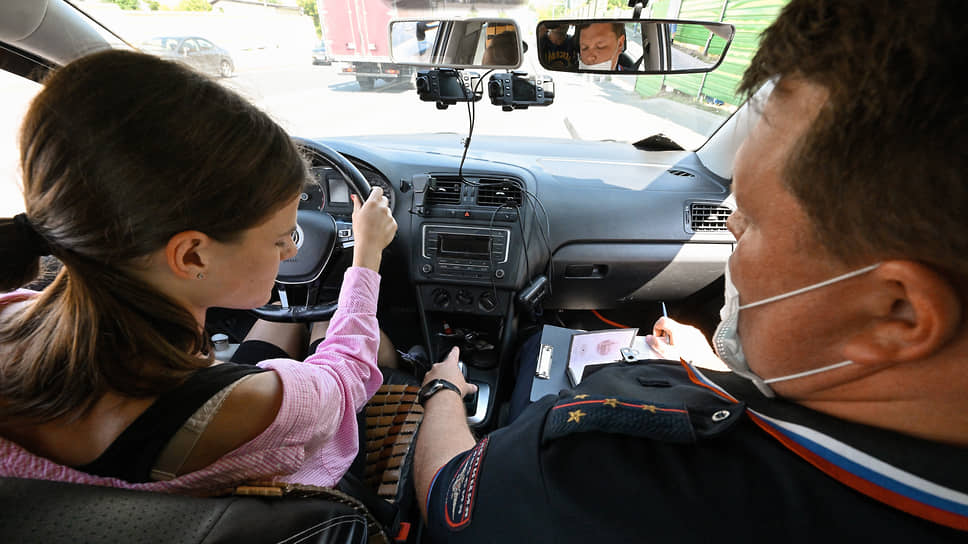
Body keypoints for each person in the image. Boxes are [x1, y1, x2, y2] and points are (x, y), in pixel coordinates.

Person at [414, 1, 967, 541]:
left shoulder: (619, 467)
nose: (729, 228)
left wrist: (442, 388)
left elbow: (445, 493)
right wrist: (717, 373)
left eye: (750, 218)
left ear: (899, 313)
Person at [0, 49, 398, 494]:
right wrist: (366, 257)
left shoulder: (11, 314)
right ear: (191, 256)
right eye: (280, 237)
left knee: (281, 321)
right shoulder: (248, 406)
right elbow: (347, 379)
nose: (291, 250)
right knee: (338, 334)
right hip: (316, 505)